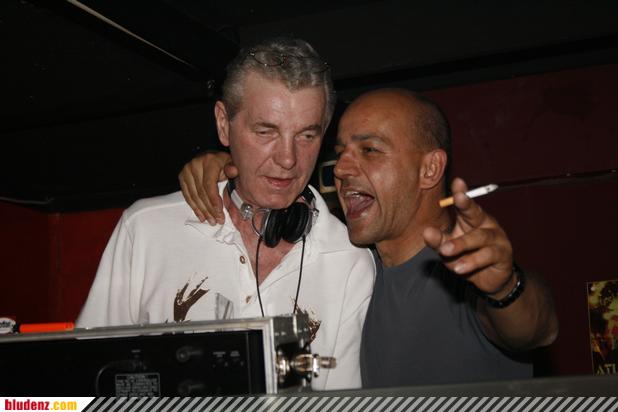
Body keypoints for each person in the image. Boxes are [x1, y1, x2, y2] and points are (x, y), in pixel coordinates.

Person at [179, 88, 559, 387]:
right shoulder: (352, 268)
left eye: (370, 150)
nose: (341, 169)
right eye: (341, 152)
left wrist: (506, 289)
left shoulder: (465, 270)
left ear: (430, 169)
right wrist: (232, 170)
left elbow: (537, 328)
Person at [76, 37, 375, 391]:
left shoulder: (350, 261)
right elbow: (90, 378)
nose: (288, 159)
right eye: (266, 131)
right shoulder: (145, 230)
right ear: (223, 123)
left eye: (306, 136)